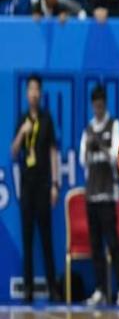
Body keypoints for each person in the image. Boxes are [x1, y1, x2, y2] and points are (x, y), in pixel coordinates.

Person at [11, 74, 59, 303]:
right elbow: (13, 152)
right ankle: (28, 288)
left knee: (47, 239)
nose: (33, 93)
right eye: (30, 89)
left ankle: (53, 287)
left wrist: (55, 184)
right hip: (26, 187)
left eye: (37, 89)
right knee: (27, 239)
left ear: (40, 93)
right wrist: (22, 132)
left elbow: (53, 152)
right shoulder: (22, 119)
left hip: (43, 185)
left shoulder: (47, 119)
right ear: (26, 93)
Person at [79, 85, 119, 307]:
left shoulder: (113, 124)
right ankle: (100, 289)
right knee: (95, 245)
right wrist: (90, 147)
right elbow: (83, 160)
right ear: (92, 105)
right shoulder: (88, 129)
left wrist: (101, 145)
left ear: (104, 104)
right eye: (95, 105)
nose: (98, 109)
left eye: (101, 105)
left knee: (113, 243)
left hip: (108, 194)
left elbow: (117, 156)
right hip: (92, 195)